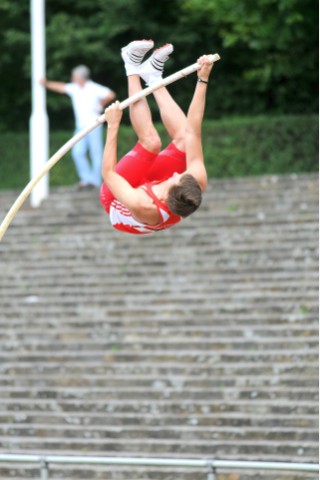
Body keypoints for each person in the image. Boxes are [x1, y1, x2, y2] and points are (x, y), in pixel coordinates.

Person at [100, 40, 214, 234]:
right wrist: (202, 80)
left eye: (176, 178)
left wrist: (113, 125)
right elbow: (193, 130)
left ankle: (131, 65)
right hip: (152, 188)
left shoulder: (145, 207)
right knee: (185, 141)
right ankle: (153, 77)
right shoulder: (196, 182)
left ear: (167, 195)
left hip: (116, 196)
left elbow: (108, 173)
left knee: (151, 142)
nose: (178, 173)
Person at [40, 66, 116, 189]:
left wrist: (100, 105)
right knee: (77, 152)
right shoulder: (74, 88)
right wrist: (46, 83)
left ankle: (95, 182)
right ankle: (87, 179)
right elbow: (61, 87)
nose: (72, 78)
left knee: (96, 154)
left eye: (74, 76)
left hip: (94, 125)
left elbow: (111, 94)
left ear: (81, 78)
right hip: (80, 127)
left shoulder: (94, 88)